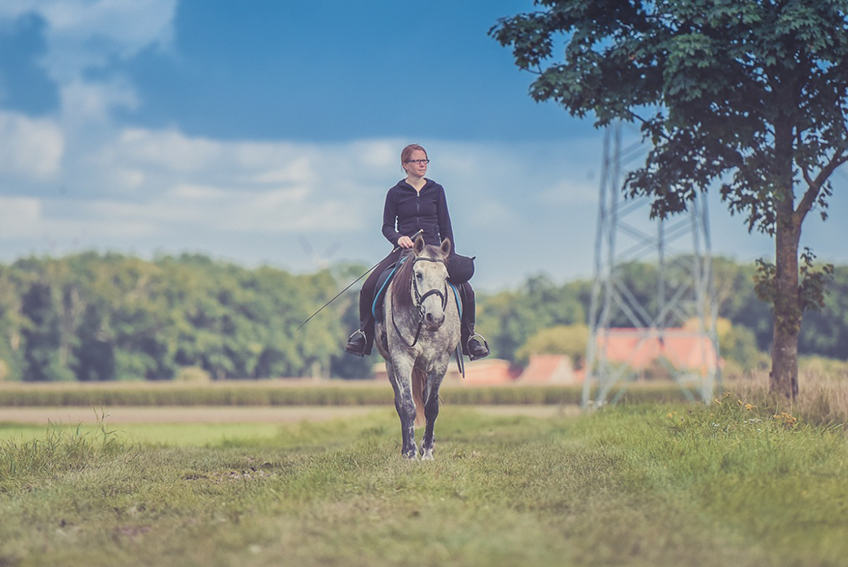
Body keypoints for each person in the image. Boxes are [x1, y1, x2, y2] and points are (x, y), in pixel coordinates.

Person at [345, 144, 490, 360]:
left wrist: (449, 254)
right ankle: (363, 337)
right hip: (405, 250)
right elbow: (386, 226)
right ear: (405, 165)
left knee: (467, 291)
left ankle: (469, 339)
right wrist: (398, 238)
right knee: (368, 286)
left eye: (425, 160)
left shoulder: (436, 190)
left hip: (435, 252)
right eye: (417, 160)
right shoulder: (395, 193)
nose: (423, 164)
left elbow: (446, 225)